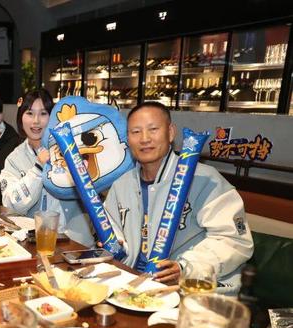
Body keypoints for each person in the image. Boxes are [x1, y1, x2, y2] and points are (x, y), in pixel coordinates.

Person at [103, 101, 253, 290]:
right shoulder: (121, 185)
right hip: (132, 281)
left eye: (153, 129)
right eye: (136, 132)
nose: (144, 139)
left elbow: (234, 240)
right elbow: (114, 228)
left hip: (192, 288)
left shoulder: (205, 179)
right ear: (127, 139)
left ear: (171, 132)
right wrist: (116, 245)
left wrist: (185, 268)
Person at [0, 89, 96, 246]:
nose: (36, 121)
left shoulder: (72, 148)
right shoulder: (14, 159)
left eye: (43, 113)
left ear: (53, 117)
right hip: (36, 243)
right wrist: (38, 169)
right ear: (20, 117)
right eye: (30, 113)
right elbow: (11, 204)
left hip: (77, 243)